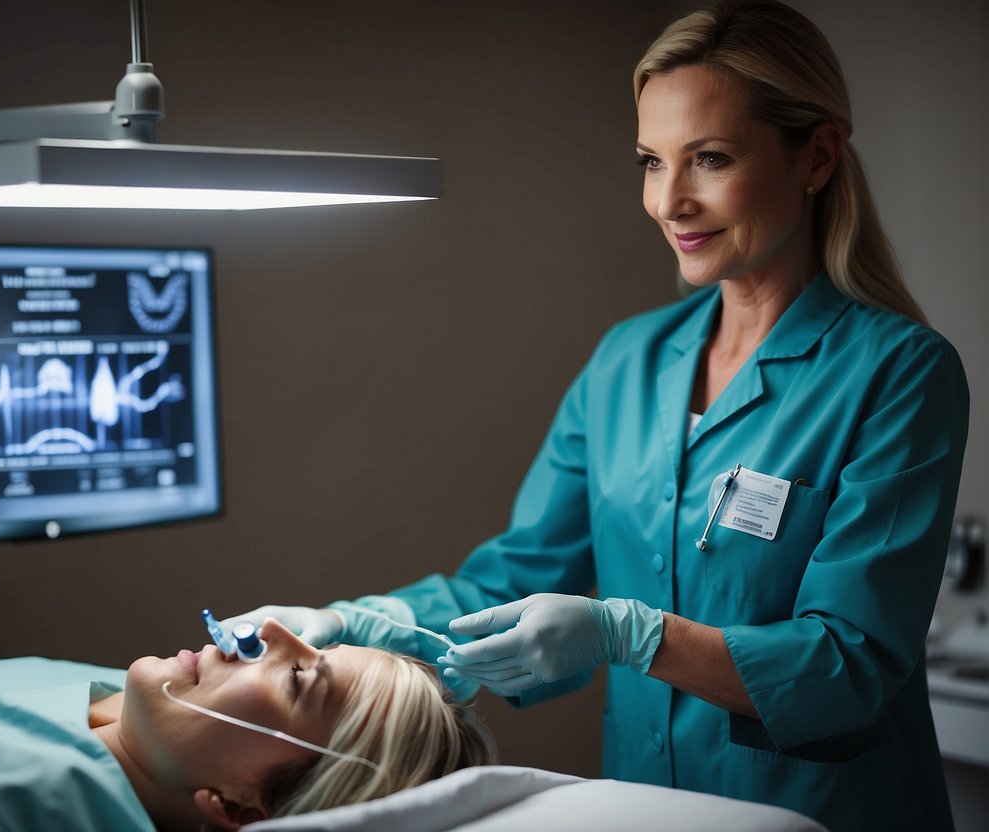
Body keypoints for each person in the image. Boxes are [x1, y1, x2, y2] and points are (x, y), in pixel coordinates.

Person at [222, 2, 969, 829]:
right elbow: (514, 581)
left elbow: (848, 664)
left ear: (816, 156)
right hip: (645, 802)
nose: (669, 201)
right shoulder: (626, 361)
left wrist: (631, 635)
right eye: (652, 161)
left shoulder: (898, 373)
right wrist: (353, 624)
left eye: (709, 159)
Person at [0, 619, 496, 831]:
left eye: (300, 675)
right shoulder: (129, 708)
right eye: (314, 643)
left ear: (241, 806)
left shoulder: (16, 810)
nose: (271, 628)